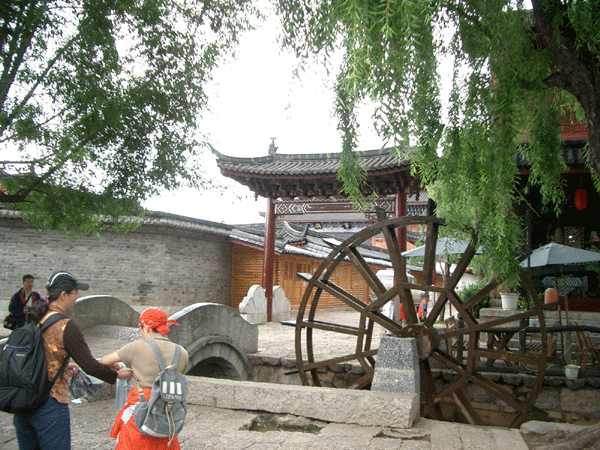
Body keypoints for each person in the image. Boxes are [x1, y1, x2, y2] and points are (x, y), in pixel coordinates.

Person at [12, 271, 133, 450]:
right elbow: (90, 366)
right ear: (63, 295)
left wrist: (61, 365)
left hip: (22, 403)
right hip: (49, 404)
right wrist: (116, 375)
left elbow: (38, 354)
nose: (76, 298)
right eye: (75, 293)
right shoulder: (66, 326)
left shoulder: (36, 317)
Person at [100, 308, 189, 450]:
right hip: (167, 413)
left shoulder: (137, 347)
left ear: (147, 328)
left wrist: (119, 368)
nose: (141, 333)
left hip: (140, 409)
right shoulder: (182, 352)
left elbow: (104, 361)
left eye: (140, 329)